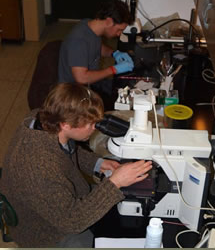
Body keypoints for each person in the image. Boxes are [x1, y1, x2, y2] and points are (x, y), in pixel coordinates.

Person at [0, 82, 152, 248]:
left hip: (56, 202)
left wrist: (97, 163)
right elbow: (72, 221)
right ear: (66, 124)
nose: (94, 129)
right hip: (44, 232)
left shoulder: (42, 119)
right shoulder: (38, 167)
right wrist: (115, 183)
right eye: (90, 124)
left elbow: (65, 150)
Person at [58, 0, 134, 109]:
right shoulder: (78, 40)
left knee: (124, 90)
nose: (119, 34)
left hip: (89, 85)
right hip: (73, 96)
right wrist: (112, 70)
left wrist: (114, 53)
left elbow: (97, 47)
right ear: (108, 21)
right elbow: (81, 78)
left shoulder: (90, 26)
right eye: (119, 30)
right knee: (120, 107)